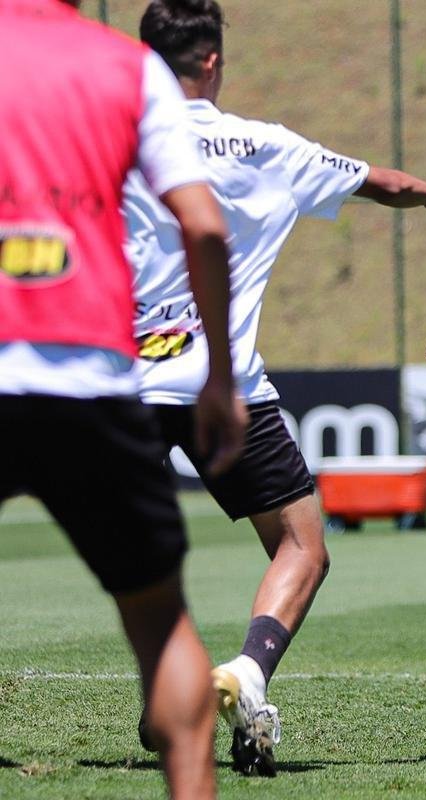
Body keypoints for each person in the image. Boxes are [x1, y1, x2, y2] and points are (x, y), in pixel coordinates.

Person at [126, 0, 426, 776]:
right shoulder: (264, 145)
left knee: (131, 552)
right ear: (212, 60)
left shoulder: (109, 138)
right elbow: (380, 183)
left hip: (112, 384)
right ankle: (246, 673)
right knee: (300, 546)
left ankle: (169, 689)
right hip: (225, 384)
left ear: (144, 58)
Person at [0, 0, 246, 796]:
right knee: (160, 621)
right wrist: (218, 379)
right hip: (93, 382)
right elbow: (204, 228)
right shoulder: (129, 66)